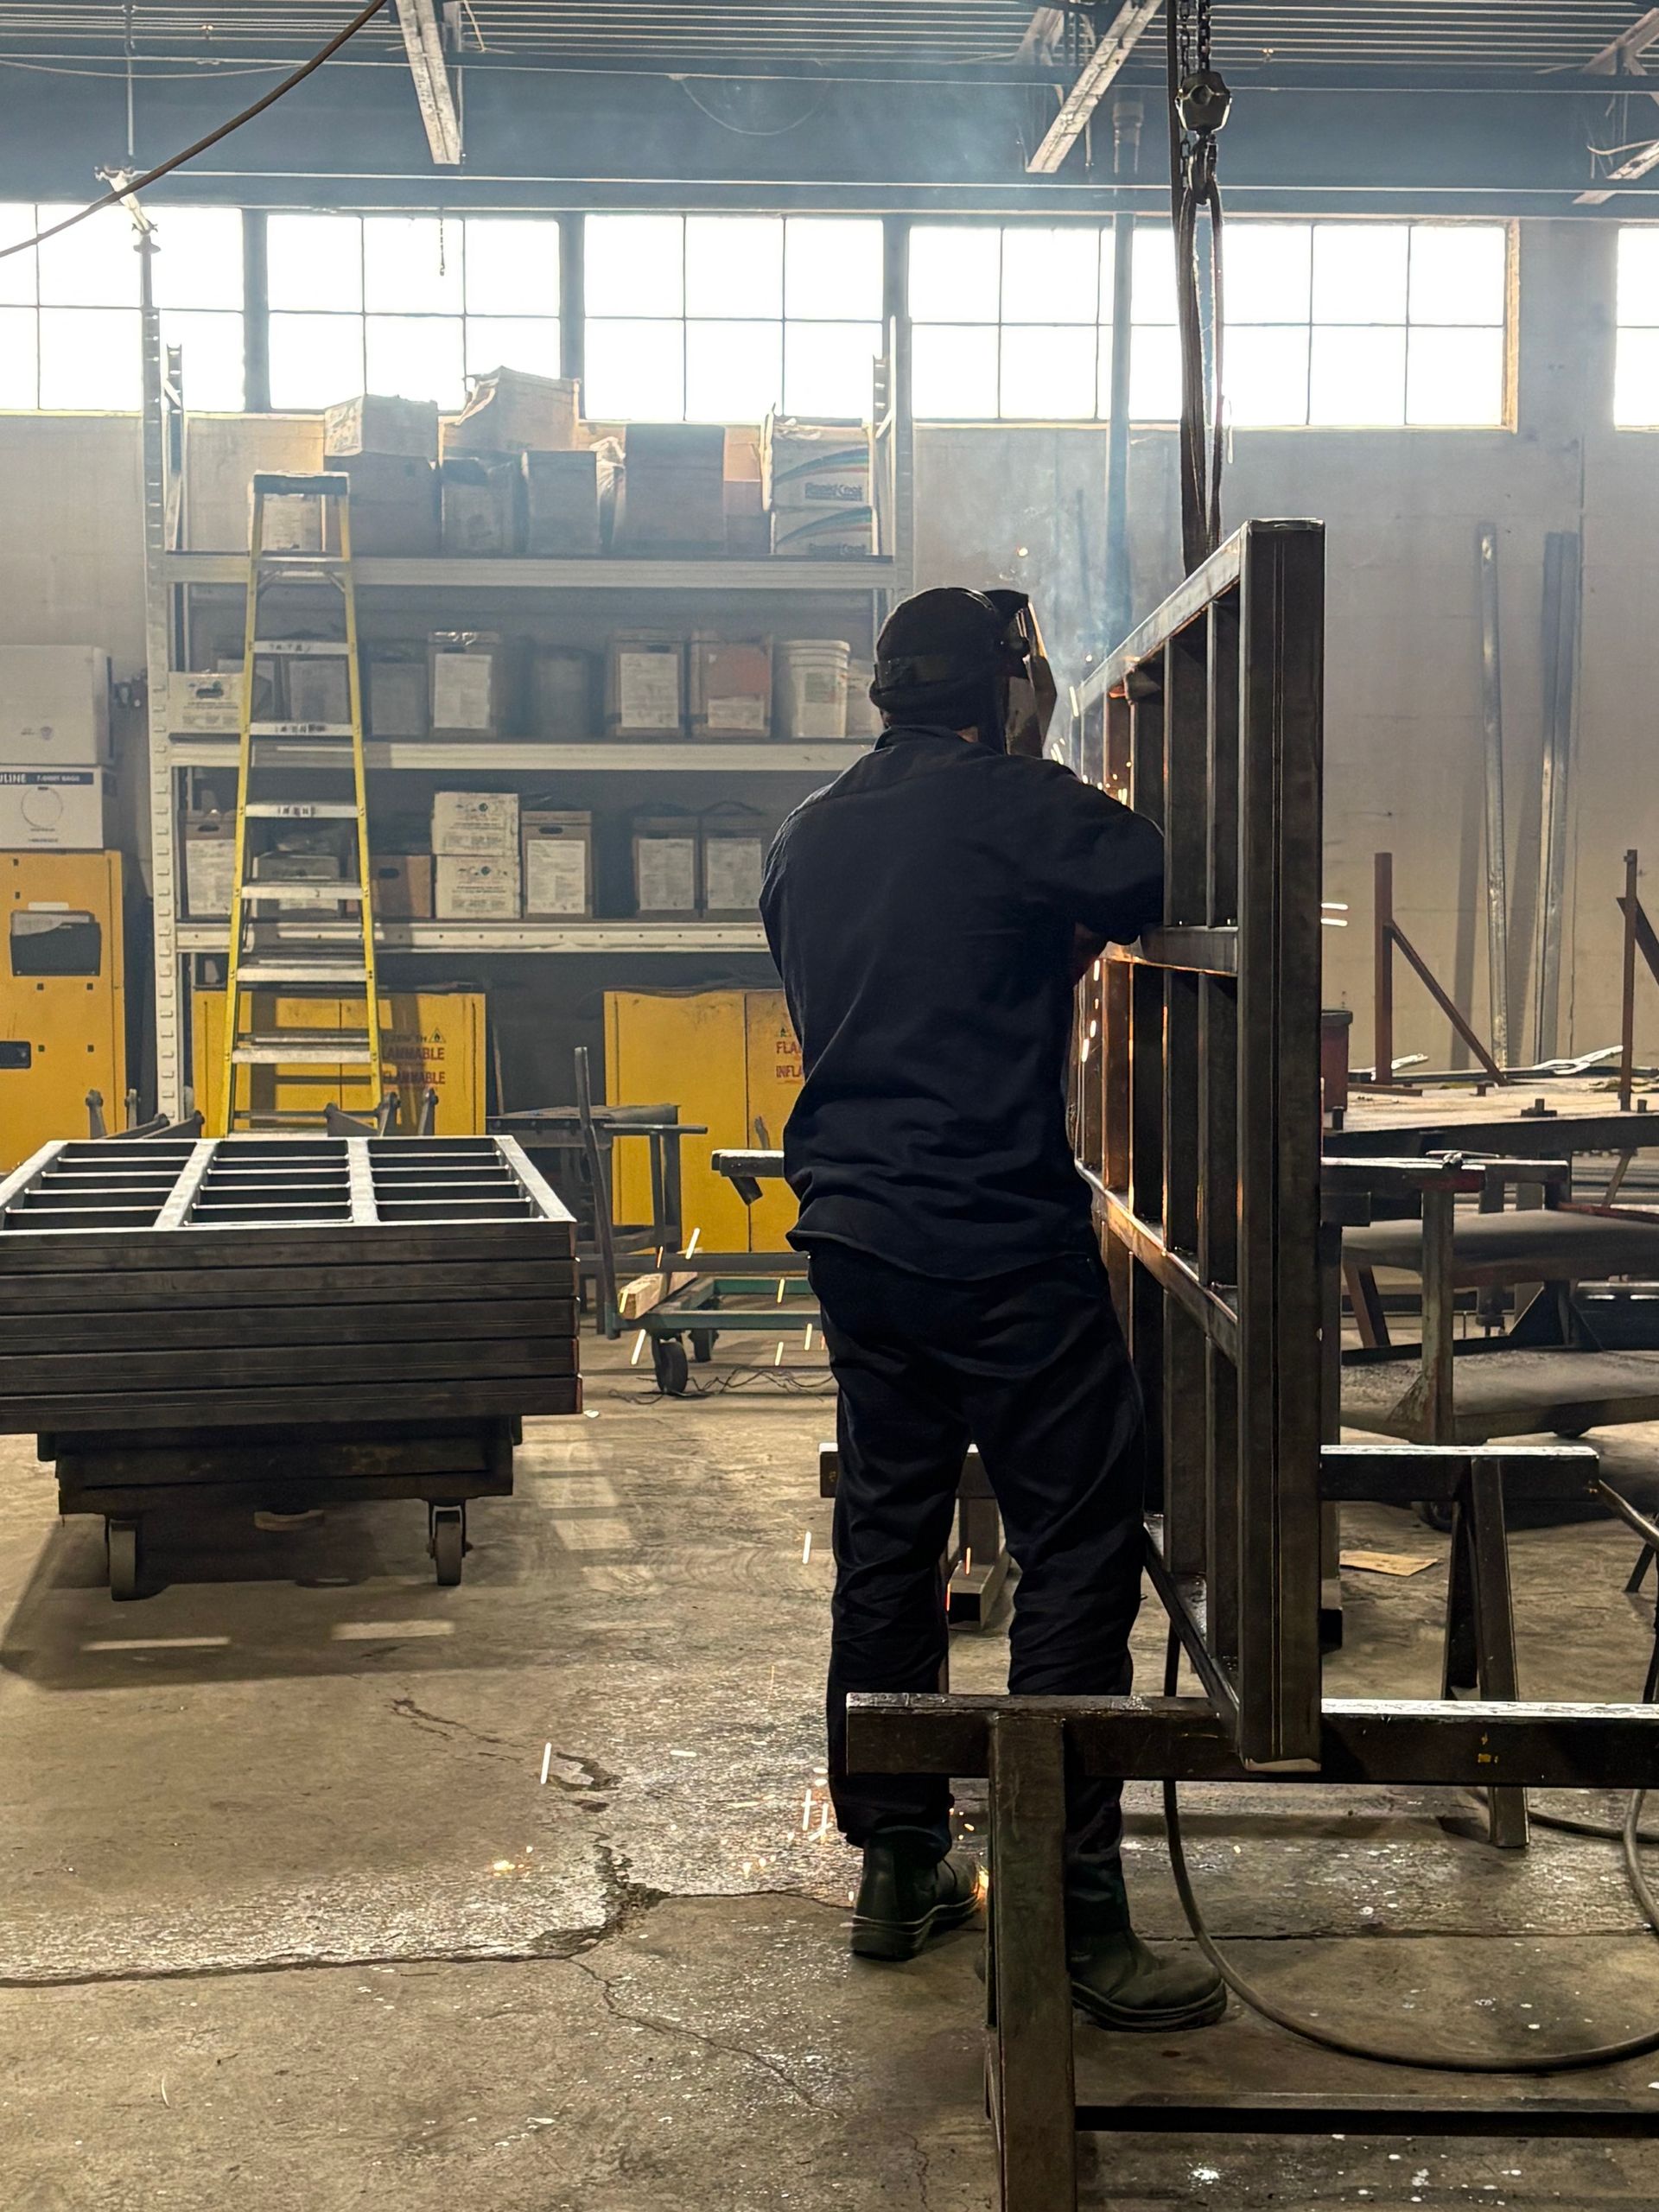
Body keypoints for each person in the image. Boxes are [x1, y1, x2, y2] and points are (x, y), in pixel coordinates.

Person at [760, 585, 1224, 2032]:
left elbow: (905, 977)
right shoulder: (1017, 805)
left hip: (856, 1238)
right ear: (1004, 695)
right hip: (995, 1237)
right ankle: (1070, 1910)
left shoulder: (803, 837)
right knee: (1078, 1542)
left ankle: (899, 1863)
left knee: (889, 1540)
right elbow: (1151, 870)